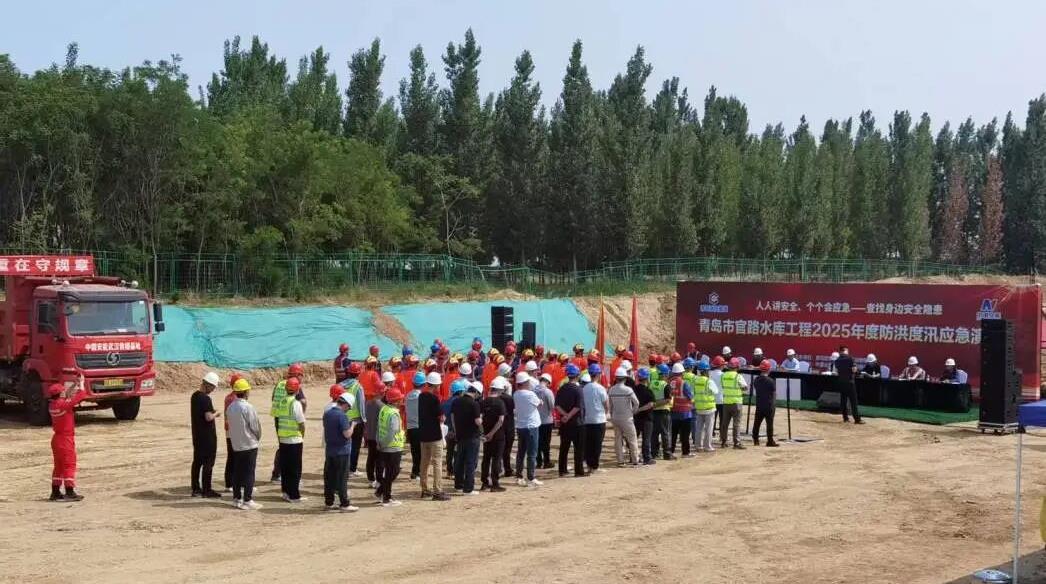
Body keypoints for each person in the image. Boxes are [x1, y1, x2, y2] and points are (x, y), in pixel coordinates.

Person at [47, 374, 87, 501]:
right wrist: (82, 383)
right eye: (62, 391)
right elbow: (81, 395)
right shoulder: (63, 405)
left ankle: (55, 492)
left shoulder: (53, 405)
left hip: (56, 439)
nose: (64, 392)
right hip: (65, 439)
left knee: (58, 465)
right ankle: (69, 491)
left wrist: (75, 384)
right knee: (69, 464)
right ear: (60, 394)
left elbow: (68, 396)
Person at [226, 378, 262, 510]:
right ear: (246, 392)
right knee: (249, 472)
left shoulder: (230, 407)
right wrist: (257, 437)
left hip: (237, 444)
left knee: (237, 471)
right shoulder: (248, 407)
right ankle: (247, 499)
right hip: (249, 444)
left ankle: (236, 498)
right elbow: (255, 426)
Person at [323, 392, 360, 511]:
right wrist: (352, 425)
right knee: (342, 478)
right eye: (349, 408)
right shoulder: (342, 416)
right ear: (346, 405)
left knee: (330, 478)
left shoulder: (328, 413)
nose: (348, 410)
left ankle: (329, 502)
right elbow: (347, 434)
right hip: (342, 451)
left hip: (330, 450)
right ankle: (344, 503)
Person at [270, 363, 307, 482]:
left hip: (279, 418)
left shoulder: (279, 384)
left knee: (282, 446)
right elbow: (303, 401)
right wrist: (301, 414)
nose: (301, 378)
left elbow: (273, 399)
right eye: (301, 375)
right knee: (291, 450)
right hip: (291, 421)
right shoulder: (295, 385)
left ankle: (277, 474)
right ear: (297, 375)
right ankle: (289, 476)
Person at [273, 377, 307, 502]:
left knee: (285, 468)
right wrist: (302, 435)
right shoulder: (295, 403)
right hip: (294, 440)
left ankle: (286, 492)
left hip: (283, 439)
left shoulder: (282, 401)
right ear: (297, 390)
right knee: (295, 469)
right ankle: (294, 495)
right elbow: (301, 423)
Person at [417, 371, 449, 501]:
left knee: (424, 463)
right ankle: (437, 490)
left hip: (423, 434)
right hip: (435, 435)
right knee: (437, 463)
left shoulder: (421, 396)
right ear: (436, 385)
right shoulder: (434, 399)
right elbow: (441, 417)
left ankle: (425, 489)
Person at [191, 372, 222, 498]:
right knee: (208, 463)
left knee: (197, 462)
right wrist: (216, 414)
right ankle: (207, 490)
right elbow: (208, 417)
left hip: (197, 435)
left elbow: (201, 412)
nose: (213, 390)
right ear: (208, 385)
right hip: (207, 436)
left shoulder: (194, 396)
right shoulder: (206, 399)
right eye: (213, 387)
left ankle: (195, 488)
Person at [452, 382, 484, 494]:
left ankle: (458, 485)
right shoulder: (474, 404)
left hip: (460, 435)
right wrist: (482, 424)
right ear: (476, 392)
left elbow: (452, 417)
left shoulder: (456, 401)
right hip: (472, 436)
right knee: (470, 462)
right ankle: (468, 488)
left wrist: (456, 431)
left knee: (459, 461)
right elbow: (478, 421)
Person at [376, 388, 406, 507]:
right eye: (400, 399)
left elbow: (379, 427)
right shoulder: (393, 413)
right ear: (396, 401)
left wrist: (379, 442)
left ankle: (381, 492)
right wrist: (384, 443)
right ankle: (386, 497)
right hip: (392, 447)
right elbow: (392, 431)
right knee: (393, 472)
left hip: (384, 446)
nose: (401, 400)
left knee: (390, 472)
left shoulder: (384, 409)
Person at [512, 373, 544, 487]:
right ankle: (531, 477)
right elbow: (539, 404)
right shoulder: (530, 394)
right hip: (531, 426)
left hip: (521, 426)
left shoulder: (516, 394)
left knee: (521, 452)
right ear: (525, 382)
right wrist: (540, 400)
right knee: (532, 453)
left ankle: (519, 476)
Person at [555, 364, 585, 477]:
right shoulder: (578, 389)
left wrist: (565, 415)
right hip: (577, 423)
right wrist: (569, 415)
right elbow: (578, 407)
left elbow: (557, 405)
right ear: (577, 376)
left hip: (565, 423)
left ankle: (562, 470)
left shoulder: (562, 388)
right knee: (578, 448)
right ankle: (579, 471)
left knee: (564, 447)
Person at [607, 367, 640, 467]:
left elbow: (610, 406)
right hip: (627, 418)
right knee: (632, 439)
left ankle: (620, 461)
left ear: (616, 378)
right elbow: (636, 403)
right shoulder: (628, 390)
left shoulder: (611, 390)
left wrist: (612, 414)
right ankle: (635, 460)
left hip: (615, 417)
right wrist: (632, 412)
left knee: (618, 440)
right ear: (625, 378)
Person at [339, 363, 367, 477]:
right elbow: (361, 405)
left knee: (343, 445)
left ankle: (343, 468)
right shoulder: (358, 387)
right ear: (358, 374)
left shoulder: (340, 385)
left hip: (342, 418)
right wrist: (364, 419)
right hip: (356, 421)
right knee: (355, 446)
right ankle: (352, 469)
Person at [480, 378, 508, 491]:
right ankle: (495, 484)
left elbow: (479, 419)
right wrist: (492, 433)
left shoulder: (483, 402)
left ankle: (485, 483)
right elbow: (501, 420)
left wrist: (484, 433)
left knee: (486, 458)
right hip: (497, 435)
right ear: (500, 390)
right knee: (496, 458)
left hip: (486, 434)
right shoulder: (500, 402)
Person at [581, 364, 609, 473]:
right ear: (598, 374)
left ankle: (589, 465)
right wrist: (606, 413)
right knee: (597, 444)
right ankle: (594, 466)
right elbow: (606, 404)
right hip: (599, 420)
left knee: (588, 444)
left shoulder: (584, 388)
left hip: (587, 420)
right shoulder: (601, 388)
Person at [364, 372, 387, 489]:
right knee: (379, 460)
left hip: (369, 435)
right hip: (378, 436)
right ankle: (378, 480)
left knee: (371, 457)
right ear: (382, 392)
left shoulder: (368, 403)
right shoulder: (382, 406)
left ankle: (370, 478)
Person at [667, 363, 695, 458]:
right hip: (685, 413)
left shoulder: (669, 382)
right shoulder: (684, 383)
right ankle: (685, 452)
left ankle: (671, 451)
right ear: (681, 373)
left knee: (673, 434)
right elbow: (690, 396)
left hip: (673, 411)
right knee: (685, 434)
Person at [719, 358, 748, 449]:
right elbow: (745, 387)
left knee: (724, 424)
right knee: (736, 424)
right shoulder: (738, 376)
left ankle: (723, 442)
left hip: (726, 402)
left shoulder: (723, 375)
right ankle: (736, 443)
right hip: (736, 403)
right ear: (737, 366)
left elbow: (722, 386)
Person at [691, 361, 719, 452]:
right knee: (708, 429)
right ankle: (707, 446)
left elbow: (692, 392)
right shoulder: (709, 381)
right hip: (709, 408)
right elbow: (716, 392)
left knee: (698, 428)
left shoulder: (695, 381)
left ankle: (698, 446)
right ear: (706, 371)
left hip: (699, 408)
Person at [223, 373, 243, 492]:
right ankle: (232, 483)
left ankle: (231, 483)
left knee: (232, 457)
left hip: (231, 431)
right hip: (234, 431)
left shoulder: (229, 397)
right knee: (235, 457)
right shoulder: (234, 399)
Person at [752, 361, 779, 447]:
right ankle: (770, 441)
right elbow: (774, 394)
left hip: (759, 404)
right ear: (768, 370)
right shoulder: (771, 381)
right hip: (769, 405)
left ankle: (755, 440)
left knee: (757, 423)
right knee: (769, 424)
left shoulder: (756, 380)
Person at [650, 363, 673, 460]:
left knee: (654, 433)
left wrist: (653, 405)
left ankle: (654, 453)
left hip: (653, 412)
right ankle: (667, 454)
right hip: (664, 411)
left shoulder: (651, 384)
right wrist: (657, 404)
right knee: (665, 433)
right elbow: (668, 400)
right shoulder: (666, 385)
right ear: (665, 374)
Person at [632, 367, 656, 465]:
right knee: (646, 439)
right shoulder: (648, 391)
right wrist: (640, 409)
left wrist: (635, 410)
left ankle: (633, 457)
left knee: (634, 438)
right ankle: (647, 458)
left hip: (636, 418)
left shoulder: (634, 389)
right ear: (647, 378)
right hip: (647, 418)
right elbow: (651, 404)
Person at [836, 346, 863, 424]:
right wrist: (859, 372)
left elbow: (838, 371)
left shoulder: (837, 360)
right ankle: (857, 419)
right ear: (845, 350)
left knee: (843, 400)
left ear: (840, 351)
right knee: (853, 401)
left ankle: (845, 418)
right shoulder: (850, 358)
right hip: (850, 382)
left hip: (841, 382)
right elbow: (854, 370)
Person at [404, 371, 424, 481]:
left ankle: (414, 472)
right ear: (424, 384)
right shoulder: (421, 396)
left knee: (414, 451)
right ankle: (417, 472)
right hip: (419, 427)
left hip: (410, 427)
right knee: (420, 452)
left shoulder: (408, 395)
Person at [535, 373, 556, 469]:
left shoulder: (533, 390)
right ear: (548, 382)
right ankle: (546, 461)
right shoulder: (548, 392)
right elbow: (552, 406)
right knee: (546, 442)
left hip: (536, 420)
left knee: (538, 441)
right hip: (547, 420)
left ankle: (538, 461)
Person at [498, 373, 516, 478]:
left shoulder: (493, 398)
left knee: (498, 449)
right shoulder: (509, 398)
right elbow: (513, 410)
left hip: (498, 426)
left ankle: (498, 469)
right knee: (507, 449)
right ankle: (507, 469)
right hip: (508, 425)